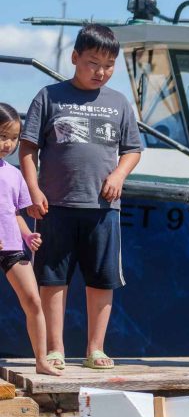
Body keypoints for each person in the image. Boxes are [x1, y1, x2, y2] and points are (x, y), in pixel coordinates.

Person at [20, 24, 143, 371]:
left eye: (108, 64)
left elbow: (133, 149)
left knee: (101, 279)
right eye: (92, 63)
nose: (100, 71)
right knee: (52, 279)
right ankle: (55, 348)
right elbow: (28, 149)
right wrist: (33, 189)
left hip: (103, 209)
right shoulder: (49, 96)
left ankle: (96, 349)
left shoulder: (119, 103)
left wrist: (119, 174)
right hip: (55, 205)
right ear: (75, 58)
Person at [0, 104, 60, 376]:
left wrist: (26, 234)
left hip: (11, 246)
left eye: (13, 138)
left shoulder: (14, 174)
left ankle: (41, 360)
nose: (8, 144)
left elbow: (13, 212)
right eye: (2, 136)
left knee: (33, 302)